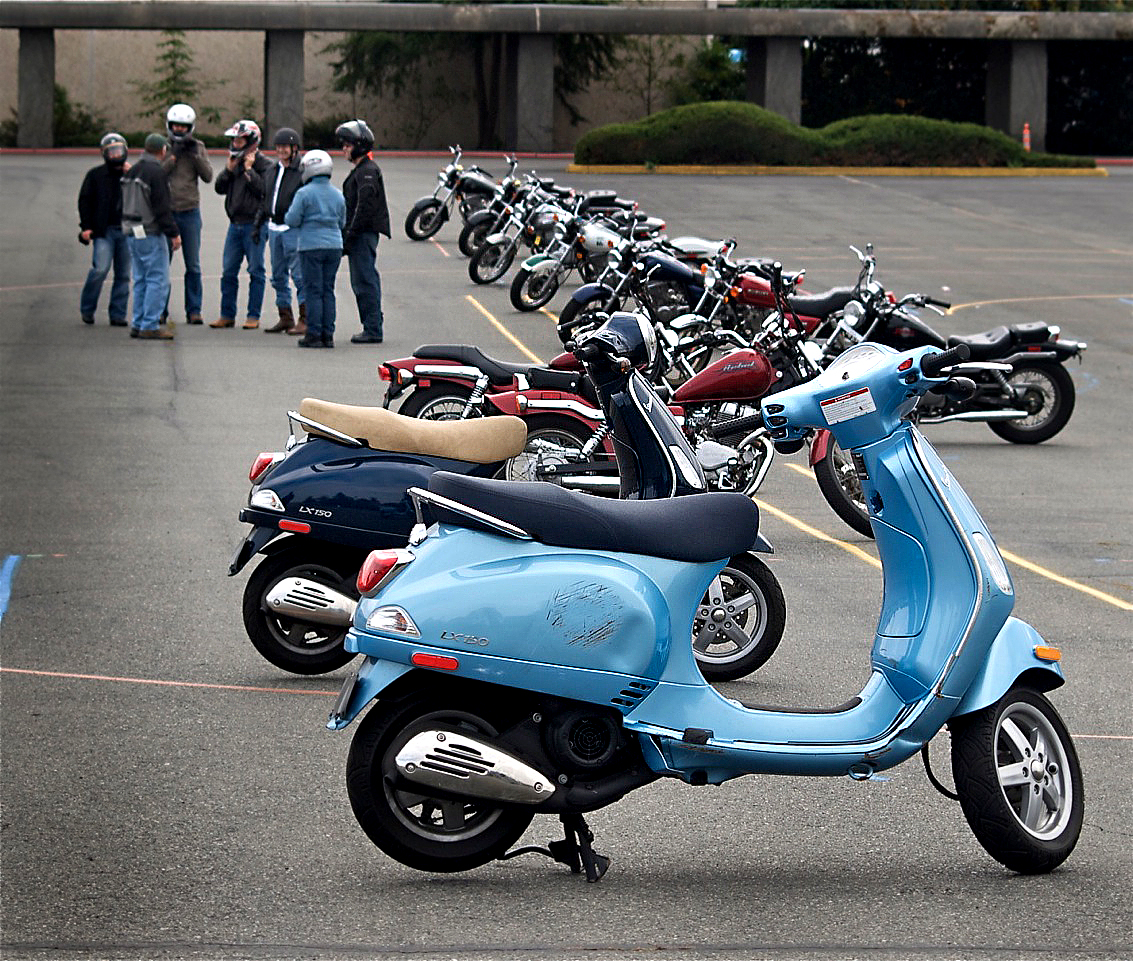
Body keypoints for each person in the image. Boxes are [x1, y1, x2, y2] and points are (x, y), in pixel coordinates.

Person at [211, 119, 272, 329]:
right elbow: (219, 188)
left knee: (256, 270)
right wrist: (228, 171)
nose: (236, 143)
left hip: (254, 225)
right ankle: (227, 314)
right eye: (234, 140)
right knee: (228, 271)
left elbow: (265, 191)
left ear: (252, 141)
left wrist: (249, 171)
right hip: (234, 224)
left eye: (240, 140)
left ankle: (253, 316)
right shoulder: (233, 163)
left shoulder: (264, 165)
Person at [120, 134, 181, 340]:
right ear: (162, 150)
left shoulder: (133, 170)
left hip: (131, 230)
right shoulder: (157, 173)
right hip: (150, 231)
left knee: (140, 279)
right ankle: (150, 324)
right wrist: (173, 233)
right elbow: (162, 207)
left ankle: (137, 322)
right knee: (157, 279)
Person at [335, 119, 390, 345]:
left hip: (362, 236)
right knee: (362, 280)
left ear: (359, 145)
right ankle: (372, 323)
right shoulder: (362, 170)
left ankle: (373, 328)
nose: (344, 149)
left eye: (347, 144)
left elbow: (364, 207)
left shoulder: (367, 172)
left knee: (364, 280)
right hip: (360, 235)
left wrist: (349, 234)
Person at [284, 150, 346, 349]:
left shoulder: (304, 193)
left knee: (313, 290)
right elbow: (342, 221)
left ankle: (314, 333)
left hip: (311, 245)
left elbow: (291, 219)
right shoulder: (338, 194)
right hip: (334, 245)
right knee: (328, 289)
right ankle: (328, 334)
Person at [161, 103, 213, 324]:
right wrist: (172, 156)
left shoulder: (197, 146)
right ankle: (160, 308)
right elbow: (156, 174)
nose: (179, 130)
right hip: (167, 212)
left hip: (190, 211)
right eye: (176, 126)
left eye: (183, 127)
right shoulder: (163, 146)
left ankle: (194, 310)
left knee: (193, 264)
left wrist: (194, 156)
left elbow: (208, 176)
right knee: (162, 264)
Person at [77, 132, 131, 326]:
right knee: (100, 269)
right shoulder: (95, 175)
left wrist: (131, 174)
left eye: (119, 151)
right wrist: (86, 227)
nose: (116, 155)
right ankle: (87, 308)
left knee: (124, 275)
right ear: (104, 154)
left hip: (126, 230)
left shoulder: (131, 174)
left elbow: (144, 197)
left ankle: (117, 314)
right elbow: (85, 201)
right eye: (111, 152)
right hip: (104, 231)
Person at [256, 127, 306, 335]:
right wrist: (259, 222)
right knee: (277, 276)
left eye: (285, 146)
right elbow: (266, 198)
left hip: (292, 229)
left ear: (294, 148)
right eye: (278, 146)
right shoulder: (273, 170)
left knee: (299, 275)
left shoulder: (302, 171)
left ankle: (305, 317)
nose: (281, 150)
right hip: (273, 227)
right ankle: (285, 316)